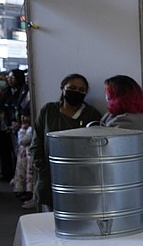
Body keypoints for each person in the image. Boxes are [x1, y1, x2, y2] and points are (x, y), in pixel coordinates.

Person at [31, 74, 102, 210]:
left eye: (81, 90)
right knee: (50, 221)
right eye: (72, 88)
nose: (76, 92)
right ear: (62, 89)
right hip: (50, 176)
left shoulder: (91, 115)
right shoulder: (48, 110)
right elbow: (37, 141)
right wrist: (41, 166)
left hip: (81, 180)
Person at [100, 75, 143, 201]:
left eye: (107, 91)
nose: (105, 96)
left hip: (128, 178)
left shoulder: (128, 119)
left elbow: (109, 148)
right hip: (127, 177)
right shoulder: (118, 115)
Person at [13, 110, 35, 204]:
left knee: (29, 176)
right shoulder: (28, 128)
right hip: (24, 155)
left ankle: (29, 194)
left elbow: (22, 140)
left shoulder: (30, 129)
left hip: (28, 155)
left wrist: (21, 130)